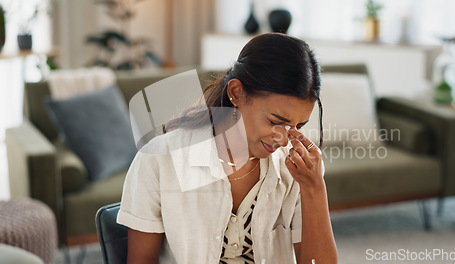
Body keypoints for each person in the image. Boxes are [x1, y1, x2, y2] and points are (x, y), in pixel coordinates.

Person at [117, 33, 338, 264]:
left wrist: (314, 188)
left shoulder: (298, 169)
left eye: (298, 126)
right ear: (236, 93)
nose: (284, 139)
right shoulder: (160, 159)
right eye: (275, 121)